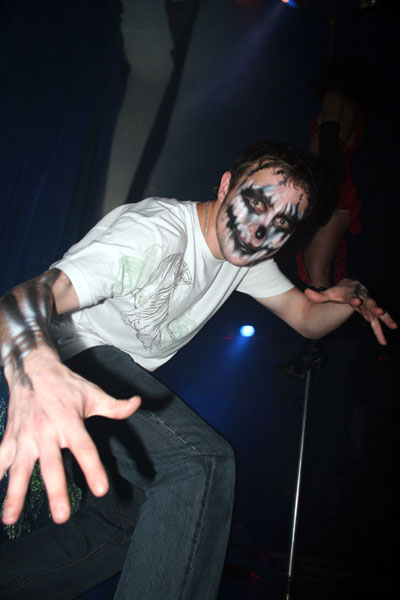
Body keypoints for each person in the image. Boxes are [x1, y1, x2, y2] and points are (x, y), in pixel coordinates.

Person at [0, 140, 396, 600]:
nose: (259, 232)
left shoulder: (245, 260)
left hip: (106, 388)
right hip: (70, 361)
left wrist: (348, 297)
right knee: (198, 464)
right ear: (226, 185)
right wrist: (38, 367)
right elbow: (25, 298)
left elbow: (306, 318)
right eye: (256, 204)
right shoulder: (154, 231)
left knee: (123, 522)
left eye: (281, 225)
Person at [296, 56, 380, 289]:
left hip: (329, 186)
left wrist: (325, 191)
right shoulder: (353, 111)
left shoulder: (335, 97)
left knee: (315, 270)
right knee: (313, 269)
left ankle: (327, 310)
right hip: (332, 185)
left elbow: (328, 139)